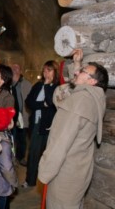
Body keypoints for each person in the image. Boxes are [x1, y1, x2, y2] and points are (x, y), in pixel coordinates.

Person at [38, 62, 109, 209]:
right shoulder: (95, 99)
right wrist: (77, 65)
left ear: (92, 81)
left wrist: (45, 172)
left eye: (82, 71)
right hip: (80, 170)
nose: (77, 73)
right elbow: (63, 92)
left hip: (64, 173)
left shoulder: (78, 101)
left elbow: (60, 142)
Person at [22, 60, 59, 188]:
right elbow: (28, 102)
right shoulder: (38, 85)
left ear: (55, 72)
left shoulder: (57, 87)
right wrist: (41, 104)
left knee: (48, 155)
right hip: (36, 124)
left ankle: (48, 182)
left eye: (49, 70)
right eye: (44, 70)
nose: (45, 73)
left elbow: (51, 102)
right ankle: (30, 180)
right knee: (33, 153)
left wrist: (48, 86)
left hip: (50, 126)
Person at [0, 107, 18, 209]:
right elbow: (6, 168)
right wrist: (14, 182)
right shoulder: (3, 144)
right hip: (0, 185)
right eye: (11, 119)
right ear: (7, 125)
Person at [11, 63, 32, 166]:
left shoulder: (26, 84)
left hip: (22, 115)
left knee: (22, 138)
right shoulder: (7, 84)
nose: (15, 70)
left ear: (21, 71)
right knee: (11, 138)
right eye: (13, 68)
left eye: (17, 68)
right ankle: (11, 158)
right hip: (10, 116)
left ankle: (21, 157)